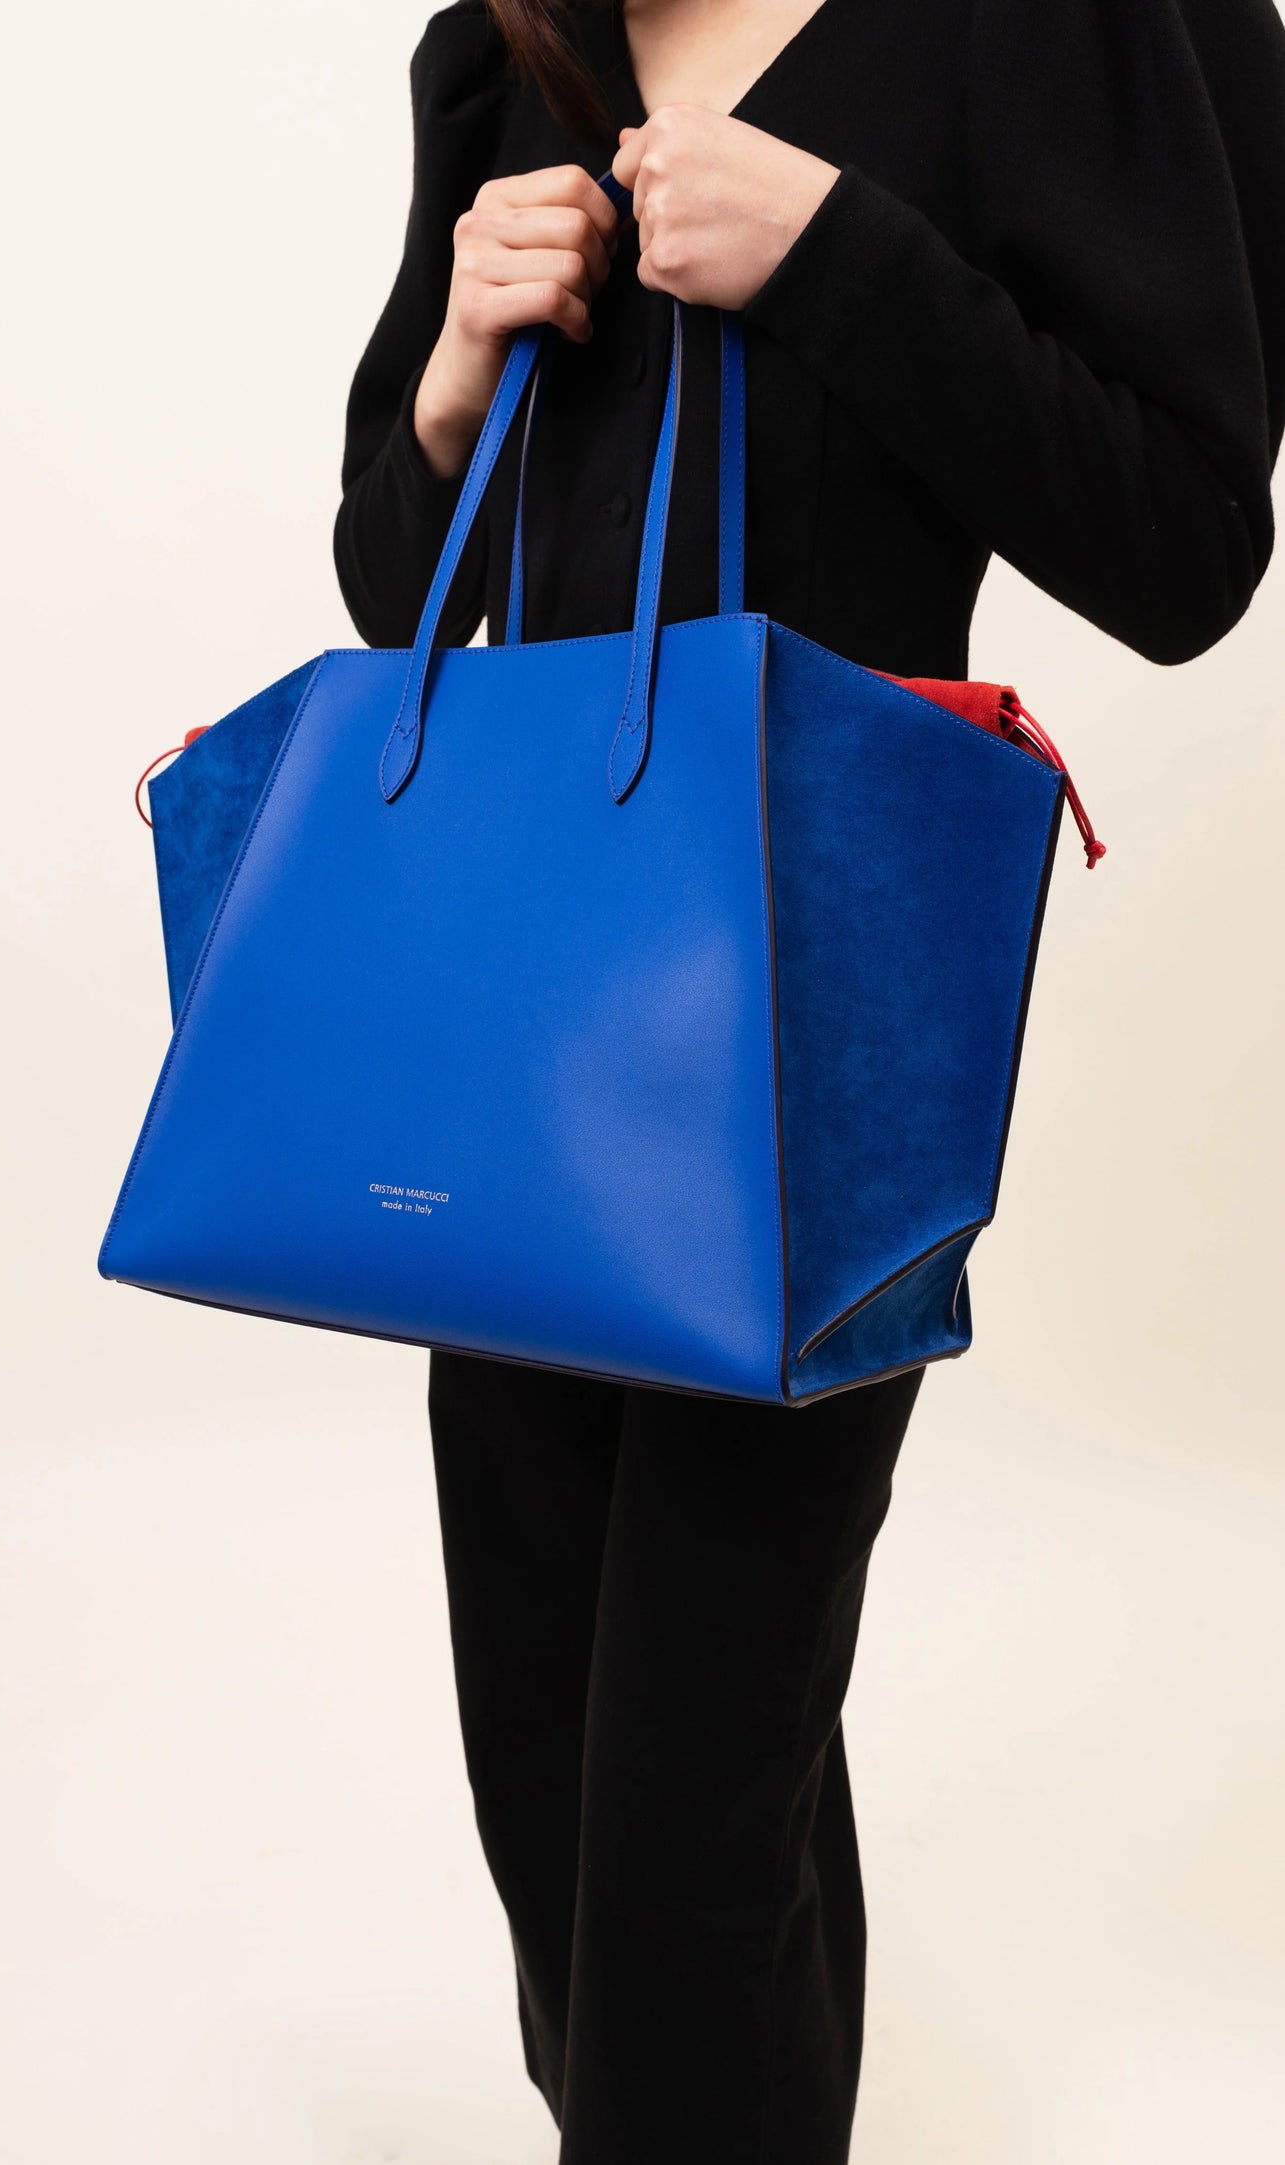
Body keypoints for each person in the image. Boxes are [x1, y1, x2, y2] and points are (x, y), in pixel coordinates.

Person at [333, 3, 1285, 2158]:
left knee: (685, 1817)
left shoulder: (1064, 33)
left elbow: (1184, 547)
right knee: (561, 1796)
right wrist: (455, 377)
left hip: (815, 1046)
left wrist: (841, 256)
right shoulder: (504, 51)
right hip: (526, 1037)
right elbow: (403, 597)